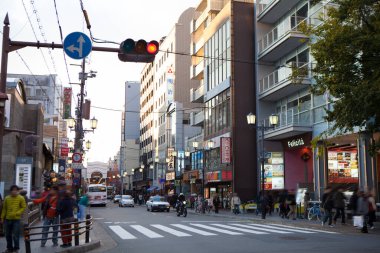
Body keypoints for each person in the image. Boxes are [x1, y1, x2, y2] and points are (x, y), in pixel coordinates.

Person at [1, 185, 26, 253]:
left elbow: (23, 207)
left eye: (16, 190)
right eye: (13, 190)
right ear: (10, 191)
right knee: (7, 235)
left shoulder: (21, 198)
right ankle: (9, 248)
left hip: (16, 219)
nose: (14, 191)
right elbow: (4, 209)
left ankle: (16, 249)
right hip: (7, 219)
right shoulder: (7, 198)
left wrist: (18, 212)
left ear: (18, 191)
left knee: (15, 235)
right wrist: (2, 218)